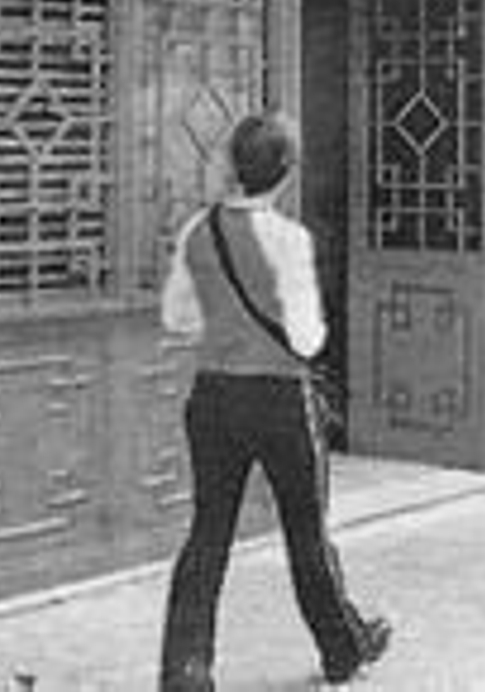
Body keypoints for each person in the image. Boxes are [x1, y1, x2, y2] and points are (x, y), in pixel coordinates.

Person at [158, 111, 392, 690]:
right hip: (281, 399)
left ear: (234, 166)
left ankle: (186, 670)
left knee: (208, 532)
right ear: (285, 172)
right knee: (306, 532)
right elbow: (308, 339)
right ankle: (343, 649)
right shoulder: (290, 240)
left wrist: (225, 326)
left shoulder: (198, 230)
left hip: (214, 398)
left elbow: (176, 317)